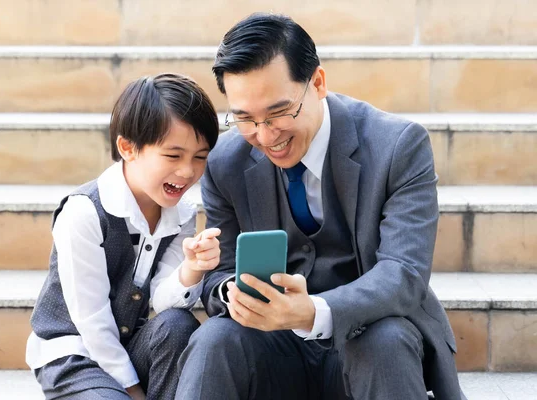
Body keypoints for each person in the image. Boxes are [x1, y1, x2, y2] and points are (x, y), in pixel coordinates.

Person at [176, 13, 465, 400]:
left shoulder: (399, 146)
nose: (264, 135)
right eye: (244, 118)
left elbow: (404, 272)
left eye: (279, 112)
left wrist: (313, 311)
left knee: (384, 341)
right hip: (274, 347)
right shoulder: (226, 162)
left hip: (370, 336)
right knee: (216, 339)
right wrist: (235, 292)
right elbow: (220, 274)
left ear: (318, 83)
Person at [26, 73, 221, 400]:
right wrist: (133, 391)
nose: (188, 171)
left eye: (200, 157)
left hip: (131, 346)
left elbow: (163, 302)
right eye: (173, 156)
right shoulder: (84, 212)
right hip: (75, 355)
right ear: (128, 148)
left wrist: (192, 269)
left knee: (177, 325)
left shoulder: (181, 213)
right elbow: (92, 321)